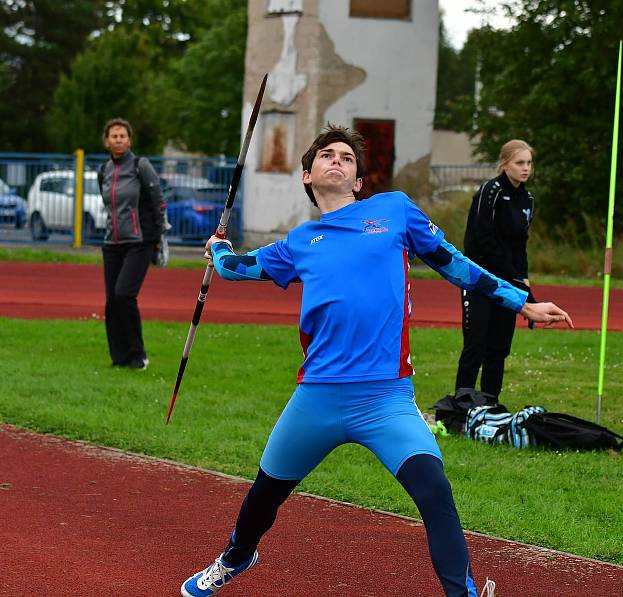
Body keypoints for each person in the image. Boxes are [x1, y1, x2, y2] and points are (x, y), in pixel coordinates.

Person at [180, 124, 573, 597]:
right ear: (308, 176)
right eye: (327, 155)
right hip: (317, 398)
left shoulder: (393, 211)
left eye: (347, 158)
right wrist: (218, 247)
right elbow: (237, 267)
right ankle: (236, 558)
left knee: (434, 491)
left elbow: (454, 262)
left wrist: (521, 302)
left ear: (359, 181)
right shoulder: (300, 242)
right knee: (265, 495)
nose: (338, 162)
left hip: (385, 399)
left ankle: (461, 594)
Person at [454, 140, 536, 399]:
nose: (525, 169)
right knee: (475, 345)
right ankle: (463, 405)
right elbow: (482, 238)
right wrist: (510, 272)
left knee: (499, 347)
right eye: (519, 163)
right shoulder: (490, 191)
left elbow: (520, 243)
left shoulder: (527, 199)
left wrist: (523, 281)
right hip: (479, 277)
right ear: (505, 164)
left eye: (529, 163)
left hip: (508, 279)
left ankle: (490, 404)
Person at [97, 118, 168, 370]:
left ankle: (138, 355)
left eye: (122, 136)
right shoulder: (103, 170)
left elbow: (158, 200)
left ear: (129, 140)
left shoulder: (141, 166)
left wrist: (159, 236)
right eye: (113, 136)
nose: (118, 140)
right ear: (107, 141)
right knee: (111, 300)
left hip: (140, 241)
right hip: (111, 243)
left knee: (124, 294)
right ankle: (119, 357)